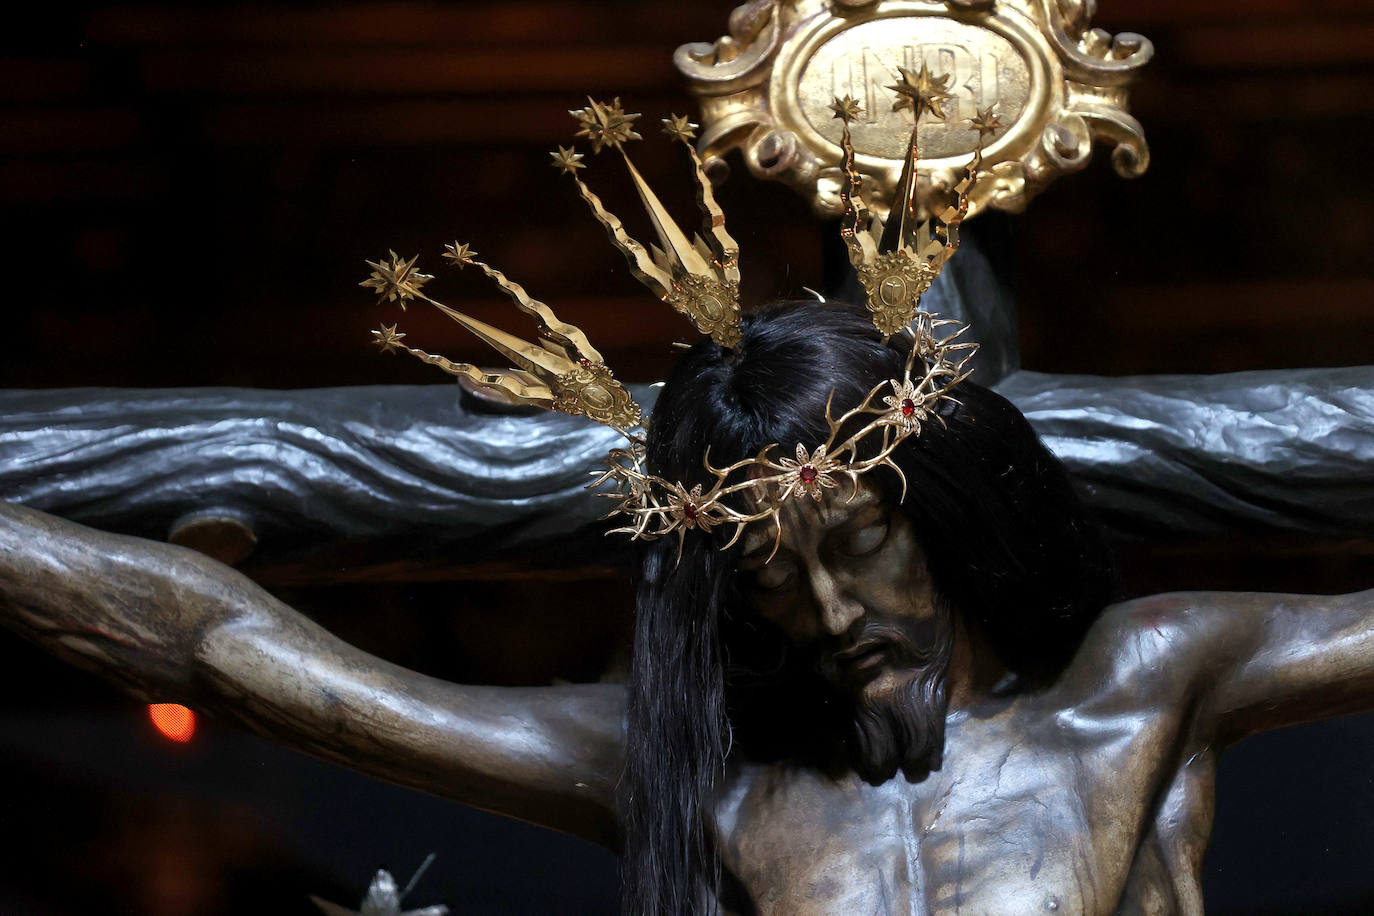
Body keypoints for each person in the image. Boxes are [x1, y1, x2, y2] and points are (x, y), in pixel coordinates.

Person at [3, 300, 1372, 914]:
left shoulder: (1137, 688)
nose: (832, 609)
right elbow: (223, 649)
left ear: (939, 514)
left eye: (860, 543)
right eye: (772, 573)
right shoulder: (695, 782)